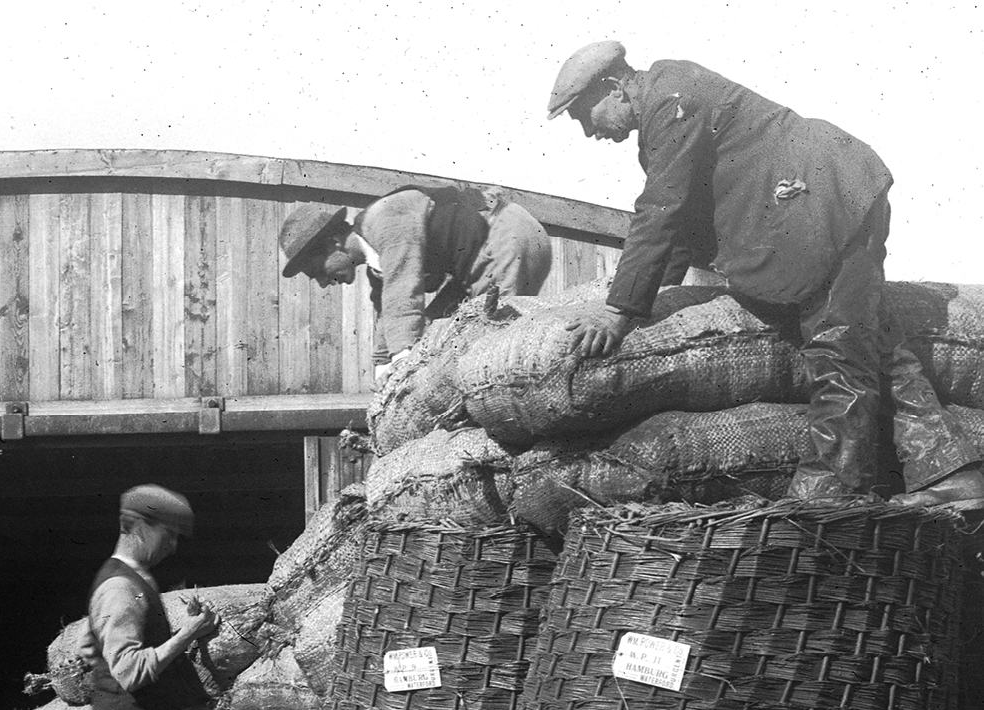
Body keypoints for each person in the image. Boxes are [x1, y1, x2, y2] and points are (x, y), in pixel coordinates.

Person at [547, 42, 984, 509]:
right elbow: (683, 222)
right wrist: (663, 293)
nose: (589, 131)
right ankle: (953, 475)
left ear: (613, 87)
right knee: (874, 345)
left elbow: (661, 210)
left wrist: (619, 311)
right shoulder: (668, 100)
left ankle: (828, 497)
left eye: (583, 115)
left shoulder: (672, 99)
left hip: (824, 198)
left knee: (836, 344)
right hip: (832, 192)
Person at [279, 187, 551, 382]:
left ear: (332, 244)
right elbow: (388, 312)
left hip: (505, 237)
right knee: (444, 331)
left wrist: (402, 364)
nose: (323, 283)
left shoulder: (383, 220)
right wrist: (382, 369)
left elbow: (402, 294)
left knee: (490, 346)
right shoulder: (377, 262)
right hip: (482, 257)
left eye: (317, 271)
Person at [85, 484, 219, 710]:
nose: (173, 547)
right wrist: (187, 635)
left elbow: (88, 647)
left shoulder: (130, 578)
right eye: (168, 535)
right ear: (141, 526)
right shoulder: (121, 587)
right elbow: (130, 671)